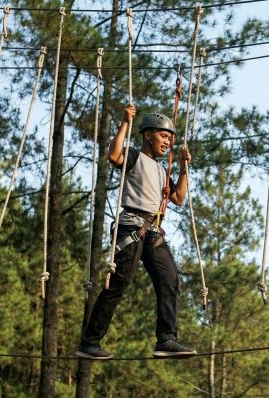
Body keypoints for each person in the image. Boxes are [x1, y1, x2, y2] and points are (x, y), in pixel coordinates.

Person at [77, 104, 195, 360]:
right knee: (119, 282)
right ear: (148, 135)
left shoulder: (163, 170)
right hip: (132, 225)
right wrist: (124, 123)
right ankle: (90, 341)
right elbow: (114, 155)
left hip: (153, 230)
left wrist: (184, 168)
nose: (167, 142)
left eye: (170, 139)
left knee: (170, 279)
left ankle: (166, 339)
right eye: (164, 136)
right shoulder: (134, 157)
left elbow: (178, 198)